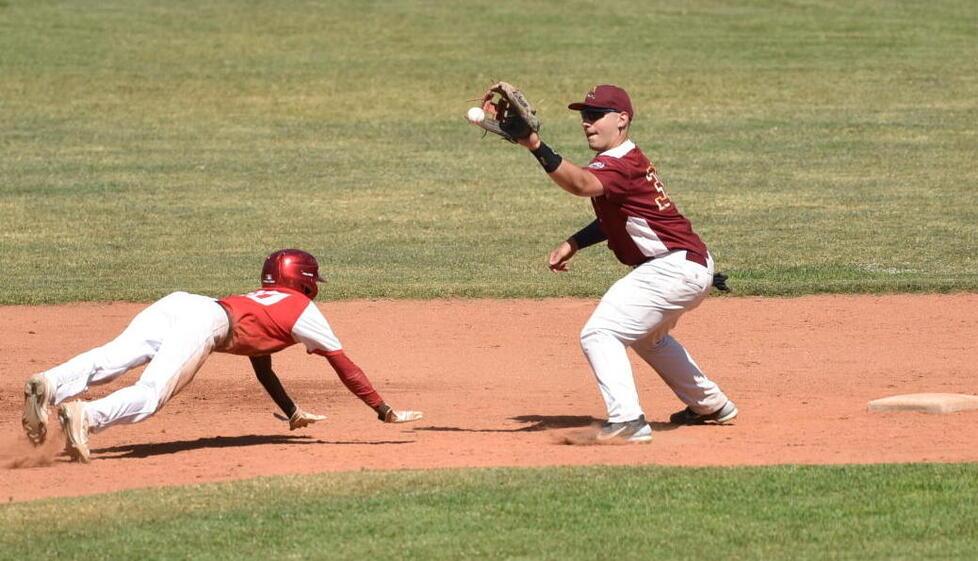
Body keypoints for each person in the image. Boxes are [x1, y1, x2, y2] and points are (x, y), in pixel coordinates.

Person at [21, 249, 423, 463]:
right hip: (208, 321)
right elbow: (344, 365)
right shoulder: (302, 309)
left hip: (182, 304)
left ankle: (51, 383)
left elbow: (260, 360)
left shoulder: (262, 300)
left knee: (108, 359)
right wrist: (383, 410)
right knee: (150, 394)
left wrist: (291, 410)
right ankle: (86, 417)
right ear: (303, 280)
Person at [511, 84, 737, 443]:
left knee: (599, 333)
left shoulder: (618, 164)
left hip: (673, 268)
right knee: (650, 338)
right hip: (688, 265)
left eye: (596, 115)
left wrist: (537, 147)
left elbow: (582, 184)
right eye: (584, 116)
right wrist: (575, 242)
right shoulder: (622, 161)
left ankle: (628, 421)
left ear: (622, 119)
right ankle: (710, 404)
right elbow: (617, 217)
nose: (587, 123)